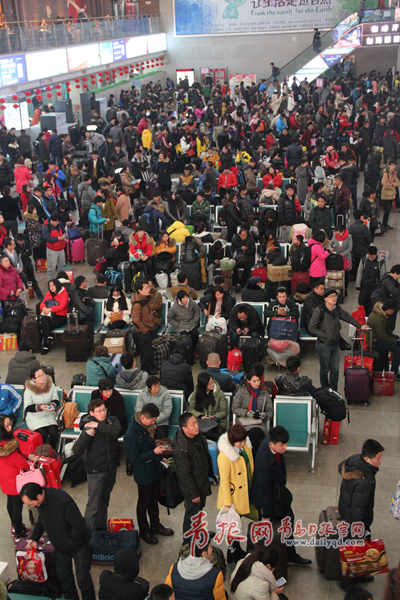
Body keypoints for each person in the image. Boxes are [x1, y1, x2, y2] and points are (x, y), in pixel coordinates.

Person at [20, 483, 95, 600]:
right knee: (64, 577)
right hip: (60, 545)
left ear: (38, 496)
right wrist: (34, 538)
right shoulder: (40, 503)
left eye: (31, 503)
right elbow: (42, 520)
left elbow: (79, 525)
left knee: (83, 579)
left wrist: (70, 543)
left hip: (78, 544)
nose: (32, 506)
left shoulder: (62, 500)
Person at [252, 426, 312, 566]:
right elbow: (264, 490)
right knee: (274, 527)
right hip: (269, 498)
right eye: (282, 445)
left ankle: (290, 554)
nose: (284, 448)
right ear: (272, 444)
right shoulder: (264, 461)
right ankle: (271, 559)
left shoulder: (274, 448)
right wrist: (265, 515)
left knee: (288, 519)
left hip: (277, 492)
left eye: (285, 444)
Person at [124, 402, 174, 545]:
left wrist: (161, 457)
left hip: (155, 470)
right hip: (144, 474)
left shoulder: (146, 427)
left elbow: (152, 444)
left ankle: (155, 525)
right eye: (152, 420)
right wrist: (154, 453)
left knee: (154, 500)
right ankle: (144, 530)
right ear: (143, 418)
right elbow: (134, 458)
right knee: (143, 503)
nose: (154, 423)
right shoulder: (131, 435)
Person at [73, 398, 120, 531]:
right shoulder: (87, 426)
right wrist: (87, 434)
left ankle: (101, 530)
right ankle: (89, 534)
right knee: (93, 505)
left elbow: (116, 432)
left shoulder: (111, 420)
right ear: (91, 413)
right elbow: (77, 451)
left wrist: (98, 425)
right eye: (99, 411)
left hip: (110, 468)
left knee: (104, 501)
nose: (103, 413)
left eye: (104, 410)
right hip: (96, 471)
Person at [308, 288, 368, 390]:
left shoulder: (337, 309)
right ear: (325, 298)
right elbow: (311, 328)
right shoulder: (319, 310)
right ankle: (325, 390)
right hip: (324, 345)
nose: (334, 298)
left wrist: (359, 326)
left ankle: (333, 390)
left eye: (335, 296)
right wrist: (325, 335)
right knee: (325, 369)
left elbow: (347, 317)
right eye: (330, 296)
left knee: (335, 369)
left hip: (335, 344)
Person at [173, 412, 216, 538]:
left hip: (201, 481)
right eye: (193, 424)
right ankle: (188, 542)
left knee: (199, 511)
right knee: (192, 514)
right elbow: (184, 475)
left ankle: (199, 534)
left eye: (196, 422)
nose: (197, 426)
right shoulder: (182, 448)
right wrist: (193, 494)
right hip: (193, 488)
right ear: (184, 428)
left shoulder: (198, 436)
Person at [217, 424, 254, 563]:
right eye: (240, 442)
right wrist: (228, 503)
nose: (243, 444)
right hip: (233, 497)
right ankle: (233, 551)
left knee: (237, 524)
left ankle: (234, 550)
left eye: (244, 440)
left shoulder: (245, 448)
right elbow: (224, 481)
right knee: (232, 525)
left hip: (244, 491)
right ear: (232, 441)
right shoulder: (225, 456)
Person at [338, 438, 384, 539]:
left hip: (346, 514)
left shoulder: (355, 462)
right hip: (354, 524)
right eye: (378, 458)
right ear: (367, 459)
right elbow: (358, 509)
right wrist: (358, 533)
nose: (380, 461)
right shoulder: (364, 482)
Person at [165, 532, 225, 600]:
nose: (212, 550)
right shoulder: (216, 575)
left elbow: (165, 594)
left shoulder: (174, 569)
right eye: (210, 547)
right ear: (204, 554)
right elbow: (220, 598)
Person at [0, 413, 32, 542]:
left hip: (5, 478)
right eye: (7, 425)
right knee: (17, 507)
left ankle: (14, 526)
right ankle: (19, 533)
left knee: (11, 503)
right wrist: (29, 463)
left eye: (10, 424)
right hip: (16, 479)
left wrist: (26, 455)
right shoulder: (7, 446)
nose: (10, 427)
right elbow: (21, 463)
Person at [232, 369, 273, 455]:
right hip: (242, 424)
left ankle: (254, 459)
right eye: (254, 381)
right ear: (248, 381)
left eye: (258, 380)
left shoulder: (264, 393)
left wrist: (263, 415)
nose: (257, 383)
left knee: (253, 435)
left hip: (257, 425)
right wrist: (247, 413)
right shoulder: (242, 392)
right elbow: (235, 408)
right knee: (244, 436)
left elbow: (270, 411)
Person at [24, 367, 59, 449]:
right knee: (42, 434)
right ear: (33, 379)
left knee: (54, 432)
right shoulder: (29, 390)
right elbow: (27, 407)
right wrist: (41, 407)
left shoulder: (51, 385)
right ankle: (40, 452)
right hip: (35, 418)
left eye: (43, 374)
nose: (42, 377)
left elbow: (55, 399)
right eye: (39, 376)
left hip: (49, 415)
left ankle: (51, 451)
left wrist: (52, 405)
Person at [367, 300, 400, 382]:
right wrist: (393, 341)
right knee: (397, 350)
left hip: (378, 335)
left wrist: (393, 338)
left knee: (397, 338)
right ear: (389, 310)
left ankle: (393, 364)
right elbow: (383, 335)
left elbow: (387, 330)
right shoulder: (379, 320)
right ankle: (394, 372)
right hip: (375, 340)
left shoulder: (381, 314)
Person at [131, 279, 158, 375]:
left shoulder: (144, 300)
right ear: (139, 290)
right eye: (146, 288)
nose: (148, 289)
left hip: (148, 329)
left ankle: (148, 368)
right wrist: (145, 330)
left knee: (146, 351)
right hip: (143, 332)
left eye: (149, 287)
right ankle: (145, 371)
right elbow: (135, 320)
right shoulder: (137, 304)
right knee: (147, 352)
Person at [38, 279, 69, 355]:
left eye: (53, 286)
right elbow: (43, 303)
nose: (51, 288)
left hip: (60, 316)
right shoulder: (48, 293)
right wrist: (44, 308)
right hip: (49, 314)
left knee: (46, 325)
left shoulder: (64, 294)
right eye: (50, 286)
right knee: (43, 318)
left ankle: (46, 344)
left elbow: (61, 306)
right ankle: (49, 338)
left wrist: (50, 309)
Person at [356, 245, 386, 317]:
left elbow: (383, 276)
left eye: (372, 257)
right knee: (362, 304)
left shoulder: (381, 262)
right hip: (364, 287)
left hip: (374, 288)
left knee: (371, 306)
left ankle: (370, 319)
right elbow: (359, 273)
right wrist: (358, 286)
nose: (370, 259)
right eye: (369, 257)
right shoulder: (364, 260)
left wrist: (381, 289)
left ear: (376, 254)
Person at [370, 265, 400, 331]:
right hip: (388, 305)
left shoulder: (391, 279)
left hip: (390, 304)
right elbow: (394, 292)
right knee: (389, 325)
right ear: (396, 273)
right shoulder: (388, 280)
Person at [329, 224, 353, 296]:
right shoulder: (335, 236)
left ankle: (345, 290)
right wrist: (331, 249)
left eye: (339, 234)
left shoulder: (349, 237)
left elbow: (349, 248)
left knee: (346, 275)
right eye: (337, 234)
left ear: (343, 232)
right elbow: (330, 243)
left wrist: (341, 255)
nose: (338, 235)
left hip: (346, 258)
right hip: (338, 259)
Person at [349, 209, 373, 279]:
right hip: (363, 249)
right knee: (362, 264)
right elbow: (369, 240)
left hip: (354, 249)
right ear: (361, 217)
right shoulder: (364, 227)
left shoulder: (351, 226)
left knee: (355, 263)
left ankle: (354, 276)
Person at [42, 213, 67, 282]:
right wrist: (57, 238)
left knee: (62, 267)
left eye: (58, 221)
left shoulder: (60, 224)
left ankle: (61, 281)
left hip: (61, 249)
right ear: (51, 220)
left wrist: (64, 236)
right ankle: (50, 281)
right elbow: (46, 239)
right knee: (51, 267)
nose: (57, 223)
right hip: (52, 250)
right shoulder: (46, 227)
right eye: (55, 221)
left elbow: (64, 231)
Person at [231, 228, 256, 292]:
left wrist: (245, 251)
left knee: (247, 267)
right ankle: (237, 283)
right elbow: (233, 250)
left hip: (248, 258)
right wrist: (241, 249)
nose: (244, 237)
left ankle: (242, 284)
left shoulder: (251, 241)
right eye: (242, 235)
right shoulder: (235, 240)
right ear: (239, 235)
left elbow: (253, 251)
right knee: (234, 267)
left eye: (245, 235)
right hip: (238, 259)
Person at [381, 160, 399, 231]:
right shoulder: (386, 174)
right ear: (389, 165)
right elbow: (385, 185)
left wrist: (392, 184)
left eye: (394, 165)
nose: (393, 167)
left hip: (391, 195)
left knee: (388, 211)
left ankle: (386, 224)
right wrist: (392, 186)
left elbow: (398, 182)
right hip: (386, 195)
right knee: (387, 210)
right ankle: (384, 224)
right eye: (392, 165)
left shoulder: (394, 173)